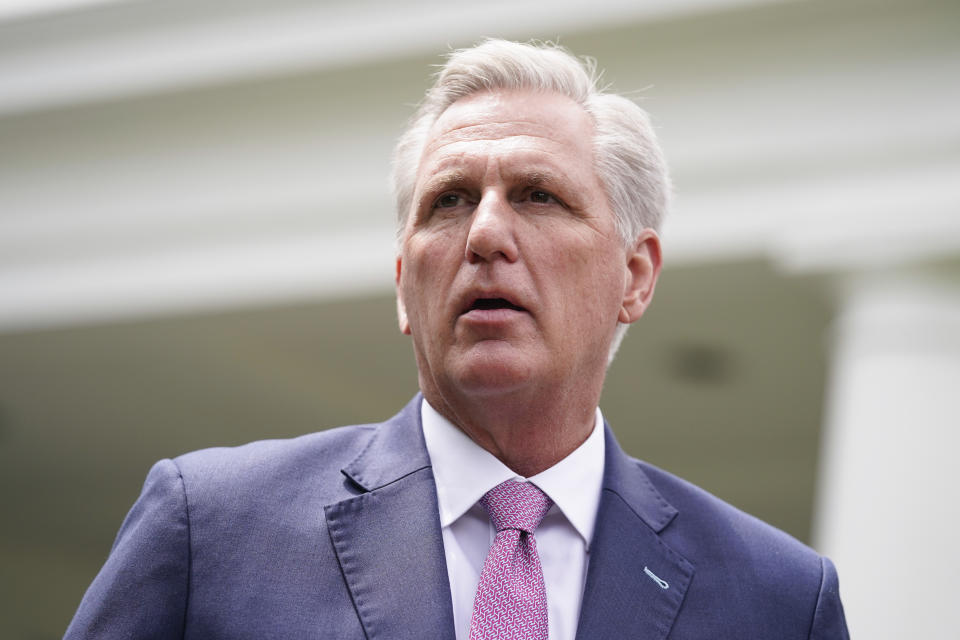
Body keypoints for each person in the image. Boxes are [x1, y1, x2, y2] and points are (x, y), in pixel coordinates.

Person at [66, 39, 848, 639]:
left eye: (539, 195)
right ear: (406, 281)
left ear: (635, 277)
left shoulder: (778, 596)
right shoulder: (211, 529)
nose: (485, 233)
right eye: (449, 200)